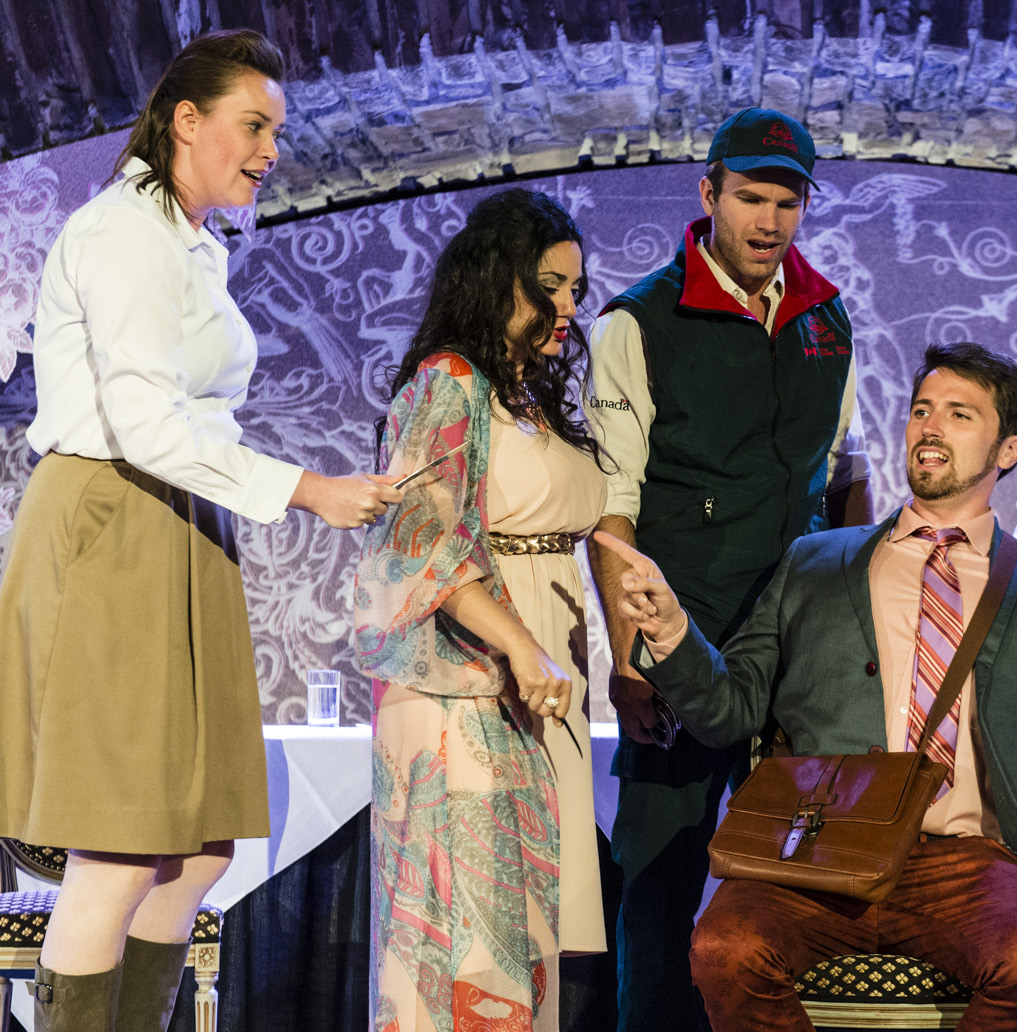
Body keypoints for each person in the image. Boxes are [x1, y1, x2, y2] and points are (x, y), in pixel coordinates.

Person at [0, 29, 400, 1032]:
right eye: (253, 126)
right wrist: (309, 490)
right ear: (186, 120)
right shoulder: (123, 234)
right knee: (120, 846)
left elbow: (192, 422)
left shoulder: (191, 243)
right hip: (114, 521)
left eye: (276, 131)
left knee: (195, 853)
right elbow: (144, 425)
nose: (271, 150)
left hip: (178, 524)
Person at [596, 342, 1017, 1032]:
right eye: (922, 410)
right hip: (816, 856)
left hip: (966, 861)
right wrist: (674, 632)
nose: (930, 427)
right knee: (725, 949)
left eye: (959, 414)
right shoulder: (815, 560)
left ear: (1009, 448)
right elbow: (729, 709)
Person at [585, 106, 872, 1031]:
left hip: (802, 645)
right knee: (659, 878)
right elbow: (612, 511)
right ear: (708, 192)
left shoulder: (827, 316)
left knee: (805, 885)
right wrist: (630, 657)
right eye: (751, 197)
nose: (769, 220)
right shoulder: (639, 322)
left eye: (787, 202)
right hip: (682, 640)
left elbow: (844, 478)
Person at [354, 187, 609, 1032]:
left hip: (537, 676)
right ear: (501, 280)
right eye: (551, 285)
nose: (569, 306)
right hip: (463, 684)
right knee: (468, 943)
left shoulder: (529, 394)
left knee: (523, 933)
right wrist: (521, 647)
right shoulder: (449, 381)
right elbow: (424, 544)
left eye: (576, 288)